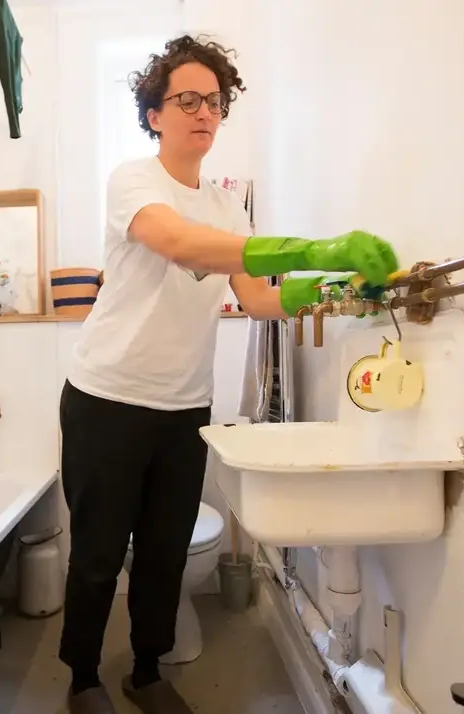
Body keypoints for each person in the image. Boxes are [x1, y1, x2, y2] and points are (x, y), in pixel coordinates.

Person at [58, 35, 398, 714]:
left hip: (185, 405)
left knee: (164, 549)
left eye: (214, 101)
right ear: (154, 114)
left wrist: (331, 289)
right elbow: (177, 243)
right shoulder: (135, 181)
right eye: (186, 99)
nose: (203, 112)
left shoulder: (225, 205)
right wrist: (310, 247)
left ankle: (147, 671)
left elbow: (255, 298)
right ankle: (83, 678)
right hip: (107, 397)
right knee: (98, 553)